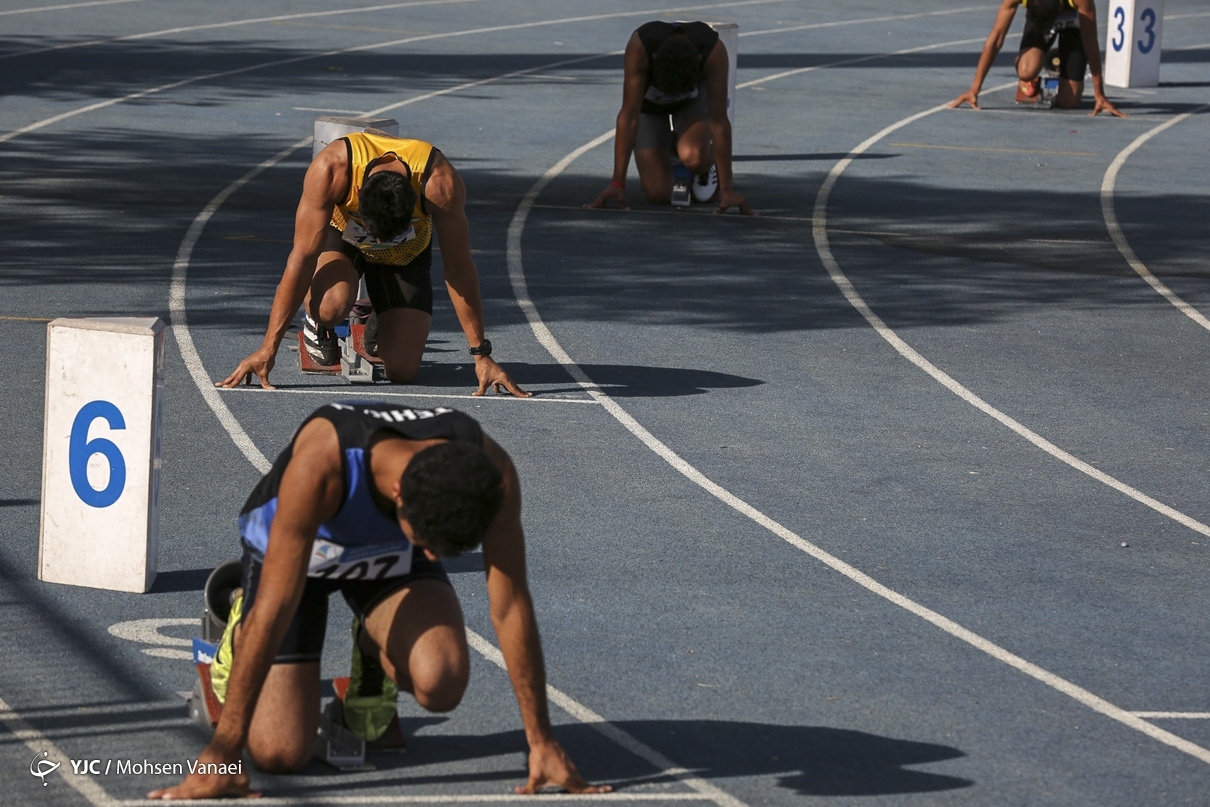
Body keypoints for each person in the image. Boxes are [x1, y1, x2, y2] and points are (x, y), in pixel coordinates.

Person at [148, 401, 609, 799]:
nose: (433, 556)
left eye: (442, 551)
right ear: (398, 495)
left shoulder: (492, 473)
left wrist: (542, 740)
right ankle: (233, 628)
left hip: (389, 558)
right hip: (300, 560)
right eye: (430, 544)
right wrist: (223, 753)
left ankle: (370, 646)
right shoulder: (323, 464)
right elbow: (277, 607)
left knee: (442, 682)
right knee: (279, 754)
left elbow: (510, 606)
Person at [217, 130, 530, 397]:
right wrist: (267, 348)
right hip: (343, 240)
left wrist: (481, 354)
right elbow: (301, 258)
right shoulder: (331, 169)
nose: (377, 241)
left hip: (405, 254)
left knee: (404, 371)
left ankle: (377, 318)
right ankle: (319, 324)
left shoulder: (440, 184)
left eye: (386, 233)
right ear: (356, 192)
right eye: (372, 230)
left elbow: (459, 269)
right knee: (330, 306)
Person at [588, 21, 753, 215]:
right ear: (654, 58)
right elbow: (629, 115)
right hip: (649, 108)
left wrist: (726, 189)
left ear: (699, 59)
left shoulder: (713, 51)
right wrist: (617, 183)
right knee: (658, 194)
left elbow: (719, 121)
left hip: (691, 101)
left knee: (695, 158)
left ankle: (705, 162)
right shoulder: (640, 47)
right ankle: (675, 150)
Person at [948, 0, 1126, 117]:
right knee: (1027, 70)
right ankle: (1028, 66)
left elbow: (1090, 41)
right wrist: (974, 89)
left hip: (1074, 23)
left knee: (1068, 101)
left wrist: (1099, 93)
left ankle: (1062, 73)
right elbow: (996, 38)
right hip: (1039, 22)